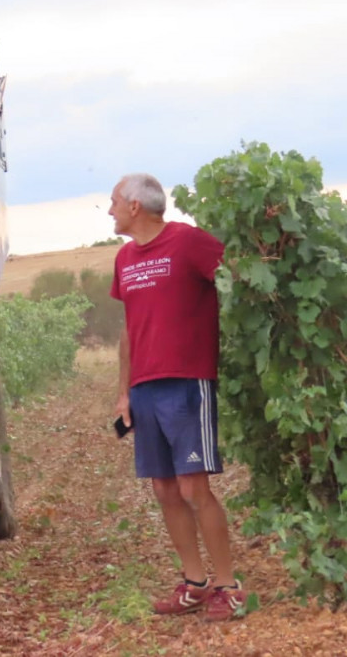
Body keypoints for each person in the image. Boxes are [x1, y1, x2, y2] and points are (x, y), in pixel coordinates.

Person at [108, 173, 248, 622]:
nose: (109, 210)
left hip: (188, 382)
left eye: (113, 202)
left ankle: (230, 586)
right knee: (164, 489)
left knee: (193, 487)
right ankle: (195, 583)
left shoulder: (188, 242)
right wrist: (123, 394)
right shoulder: (124, 258)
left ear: (134, 206)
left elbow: (238, 282)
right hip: (144, 389)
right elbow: (129, 332)